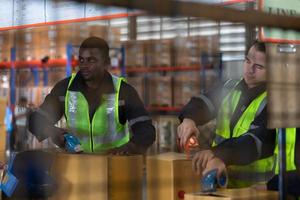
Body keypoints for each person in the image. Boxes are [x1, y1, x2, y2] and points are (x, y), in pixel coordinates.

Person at [28, 36, 155, 154]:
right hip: (77, 166)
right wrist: (51, 131)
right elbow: (35, 121)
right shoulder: (64, 90)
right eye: (81, 60)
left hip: (112, 167)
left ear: (106, 62)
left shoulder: (124, 92)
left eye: (91, 60)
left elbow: (146, 130)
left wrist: (127, 148)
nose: (84, 65)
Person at [177, 40, 276, 188]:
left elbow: (255, 141)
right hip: (222, 184)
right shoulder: (229, 87)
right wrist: (189, 119)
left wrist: (218, 153)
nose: (250, 70)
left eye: (259, 66)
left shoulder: (275, 101)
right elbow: (202, 102)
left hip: (256, 190)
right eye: (247, 61)